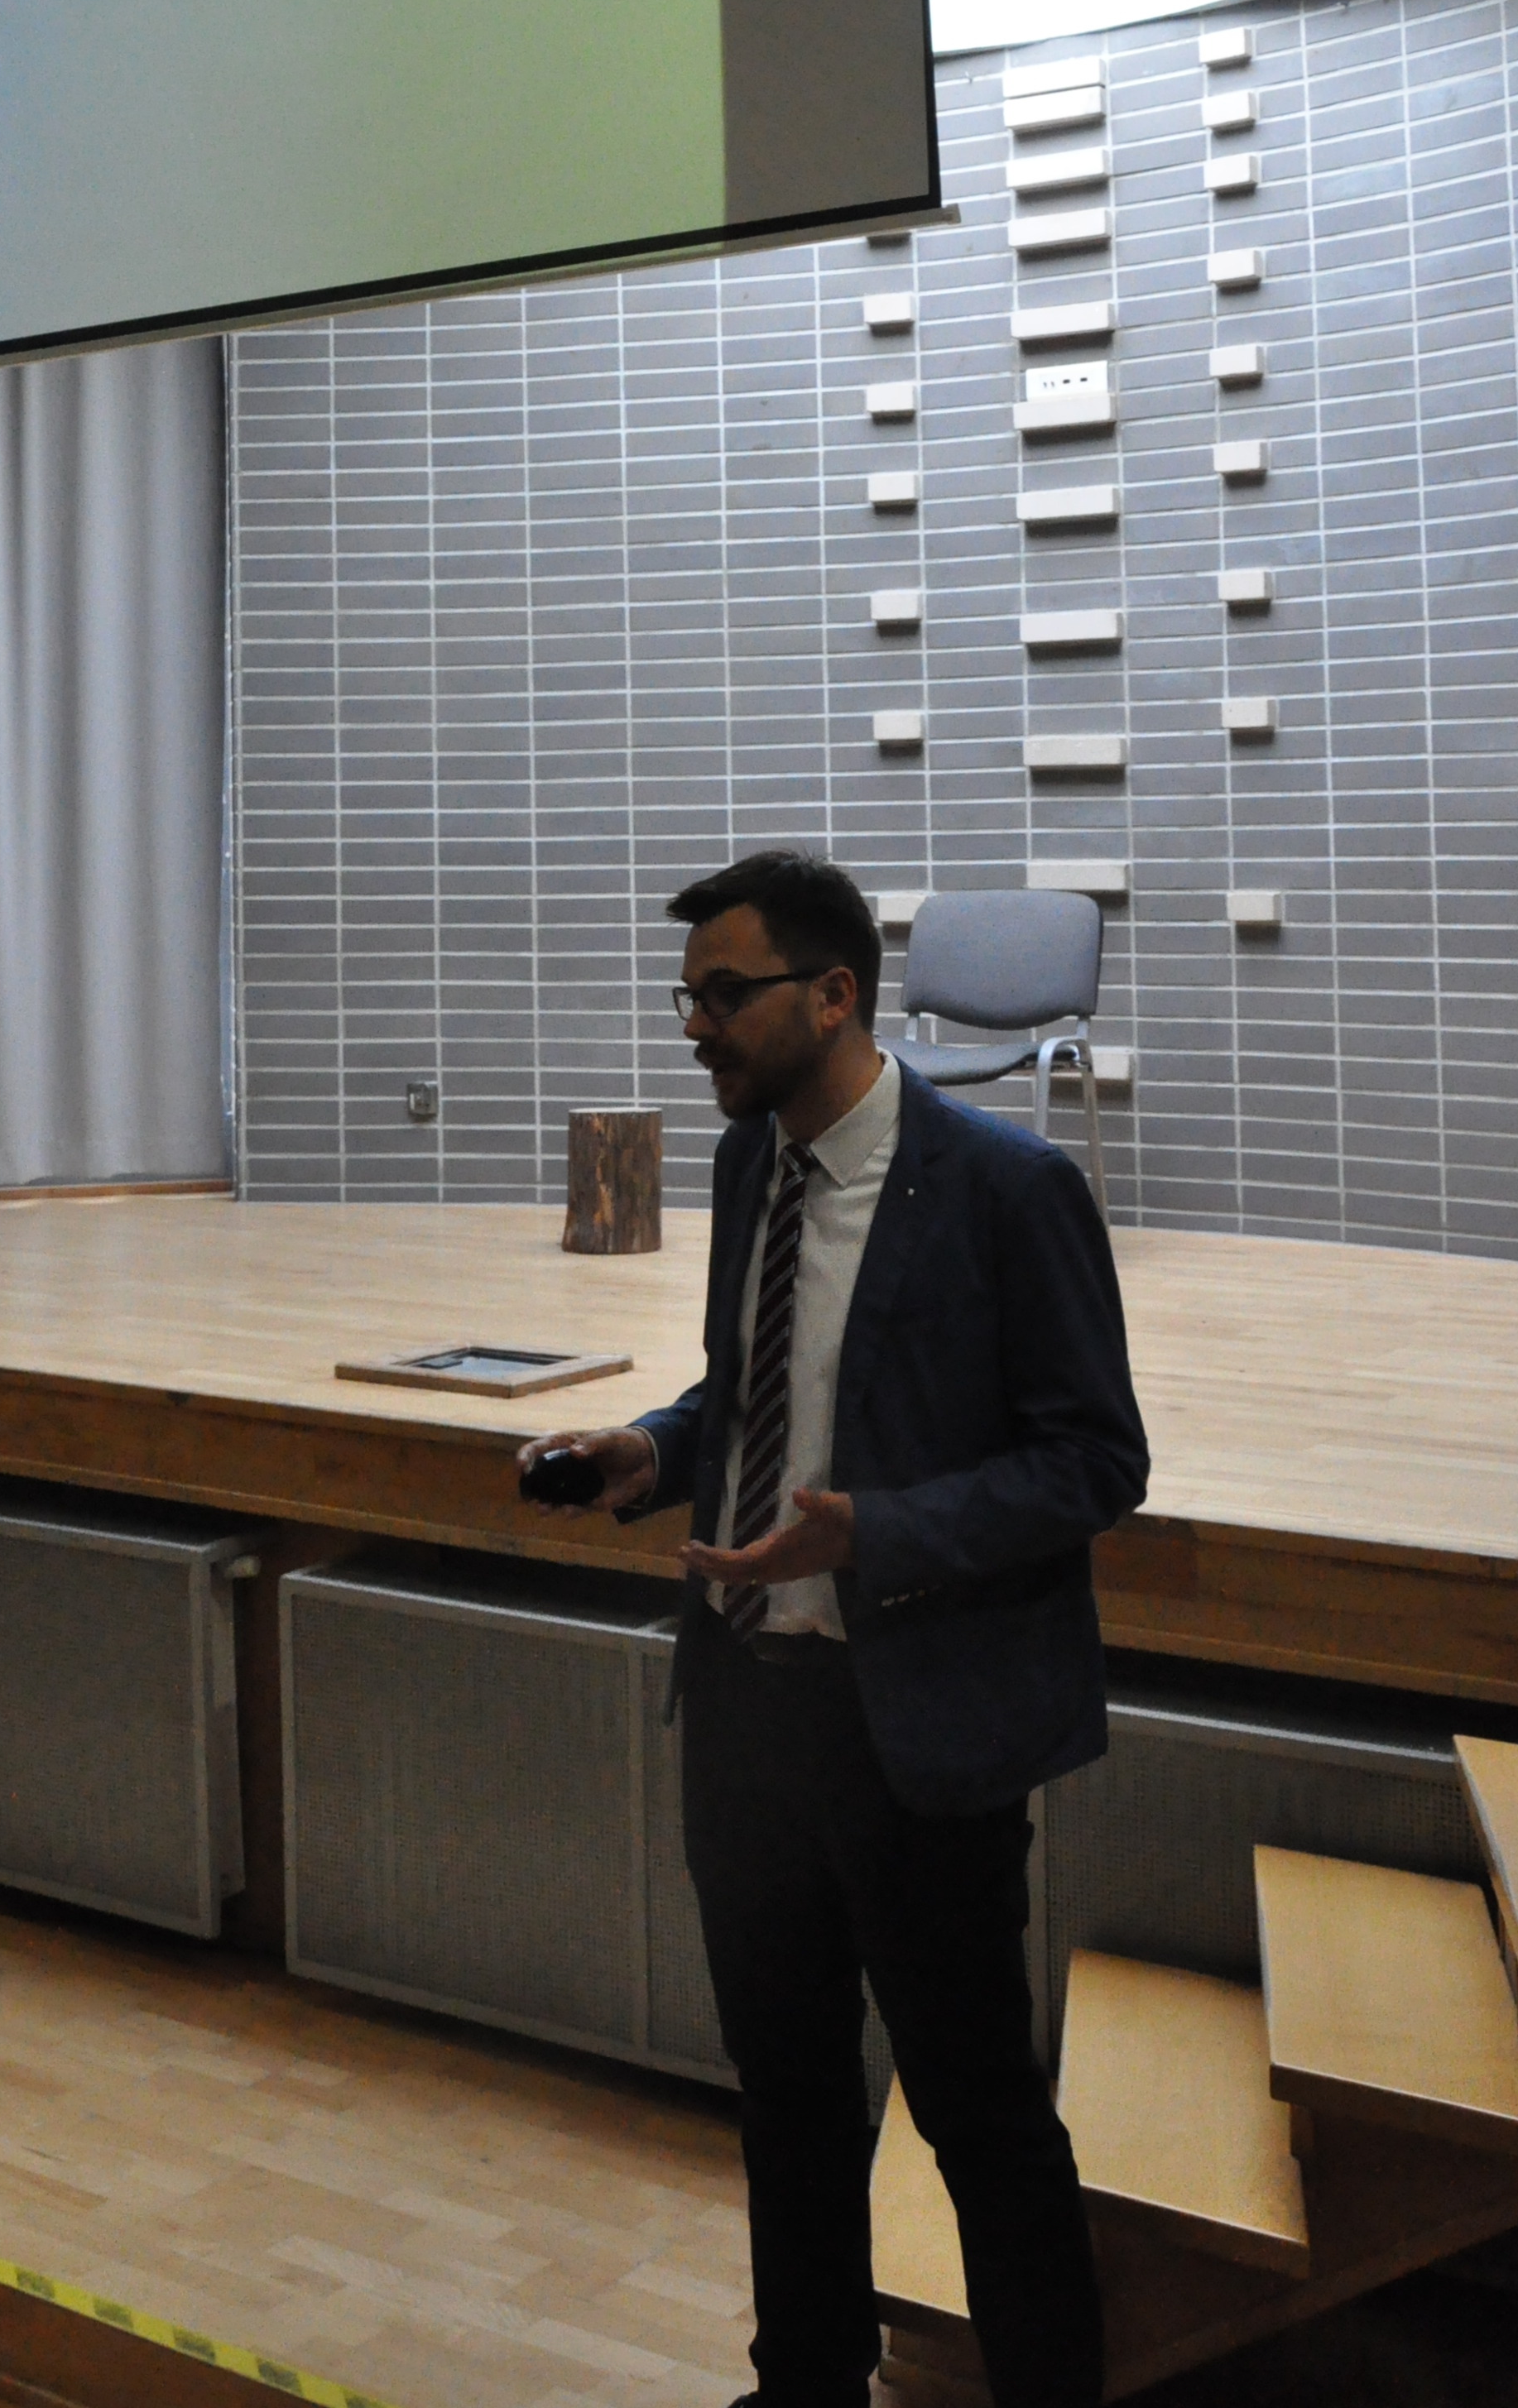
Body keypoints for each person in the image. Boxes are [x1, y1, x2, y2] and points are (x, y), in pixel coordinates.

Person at [520, 849, 1148, 2408]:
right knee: (787, 2086)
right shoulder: (752, 1165)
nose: (695, 1028)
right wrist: (651, 1451)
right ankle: (806, 2383)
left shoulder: (1010, 1191)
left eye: (724, 996)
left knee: (978, 2115)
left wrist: (876, 1530)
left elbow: (1095, 1463)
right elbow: (747, 1387)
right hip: (746, 1705)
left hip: (910, 1723)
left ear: (834, 995)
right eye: (687, 999)